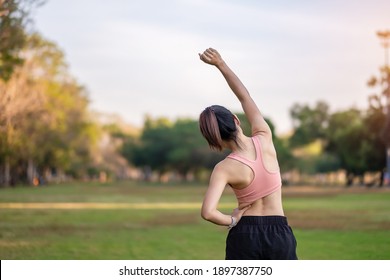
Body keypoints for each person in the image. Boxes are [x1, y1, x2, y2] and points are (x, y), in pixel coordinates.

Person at [198, 48, 298, 260]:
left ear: (215, 140)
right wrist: (221, 64)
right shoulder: (264, 137)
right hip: (278, 233)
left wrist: (232, 220)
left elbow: (208, 212)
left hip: (244, 235)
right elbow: (244, 96)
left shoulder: (223, 169)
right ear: (235, 119)